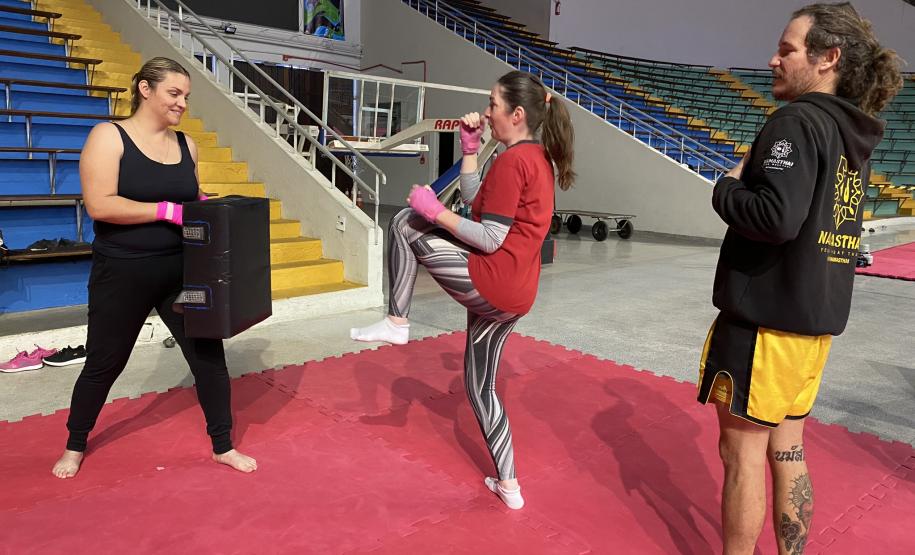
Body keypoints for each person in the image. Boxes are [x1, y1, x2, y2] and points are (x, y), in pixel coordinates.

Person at [697, 4, 902, 553]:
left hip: (765, 326)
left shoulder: (794, 121)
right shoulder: (848, 134)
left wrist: (724, 186)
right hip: (812, 329)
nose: (773, 59)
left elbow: (775, 218)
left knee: (740, 457)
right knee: (787, 450)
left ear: (828, 58)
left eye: (787, 50)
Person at [350, 70, 575, 509]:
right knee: (480, 387)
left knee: (404, 222)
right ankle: (509, 485)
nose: (486, 112)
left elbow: (489, 237)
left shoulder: (518, 161)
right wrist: (470, 149)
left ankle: (398, 320)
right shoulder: (529, 157)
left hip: (492, 280)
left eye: (493, 105)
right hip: (516, 295)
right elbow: (477, 200)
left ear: (517, 113)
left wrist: (434, 212)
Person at [52, 57, 257, 479]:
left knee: (208, 357)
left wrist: (215, 208)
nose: (182, 103)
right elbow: (100, 204)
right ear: (145, 89)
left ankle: (223, 445)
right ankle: (75, 444)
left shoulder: (187, 145)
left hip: (182, 270)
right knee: (105, 363)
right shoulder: (109, 136)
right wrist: (166, 210)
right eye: (174, 93)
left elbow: (191, 197)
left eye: (186, 96)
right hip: (123, 270)